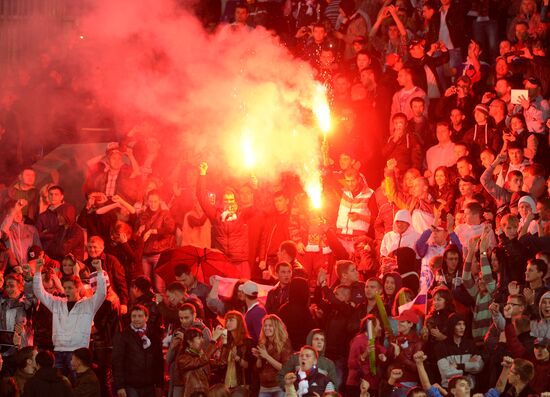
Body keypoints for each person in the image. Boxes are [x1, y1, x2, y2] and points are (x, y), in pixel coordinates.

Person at [32, 257, 106, 377]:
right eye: (65, 288)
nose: (67, 290)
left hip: (78, 353)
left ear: (78, 288)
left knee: (77, 388)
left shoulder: (88, 305)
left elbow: (102, 293)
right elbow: (39, 292)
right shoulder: (57, 303)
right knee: (60, 388)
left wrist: (99, 270)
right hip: (59, 351)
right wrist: (37, 270)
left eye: (70, 288)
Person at [112, 305, 164, 397]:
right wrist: (120, 386)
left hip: (150, 385)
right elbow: (117, 362)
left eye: (140, 316)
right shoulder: (123, 336)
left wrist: (159, 385)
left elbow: (159, 362)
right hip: (131, 385)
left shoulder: (154, 336)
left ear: (146, 318)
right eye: (134, 316)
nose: (136, 319)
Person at [252, 314, 293, 397]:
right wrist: (259, 358)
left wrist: (266, 356)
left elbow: (285, 368)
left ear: (276, 327)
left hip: (279, 387)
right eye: (265, 325)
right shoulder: (262, 343)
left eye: (270, 326)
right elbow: (258, 368)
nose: (267, 328)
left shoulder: (284, 343)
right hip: (264, 387)